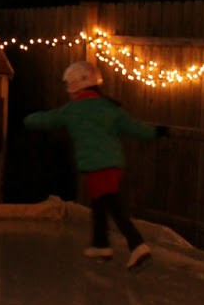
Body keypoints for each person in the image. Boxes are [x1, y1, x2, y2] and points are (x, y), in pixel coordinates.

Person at [23, 60, 169, 269]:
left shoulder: (73, 110)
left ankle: (137, 244)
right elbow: (134, 128)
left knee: (111, 203)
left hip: (98, 166)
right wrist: (156, 132)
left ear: (75, 86)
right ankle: (100, 244)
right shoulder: (110, 107)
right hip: (113, 164)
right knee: (100, 202)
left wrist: (27, 120)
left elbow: (48, 119)